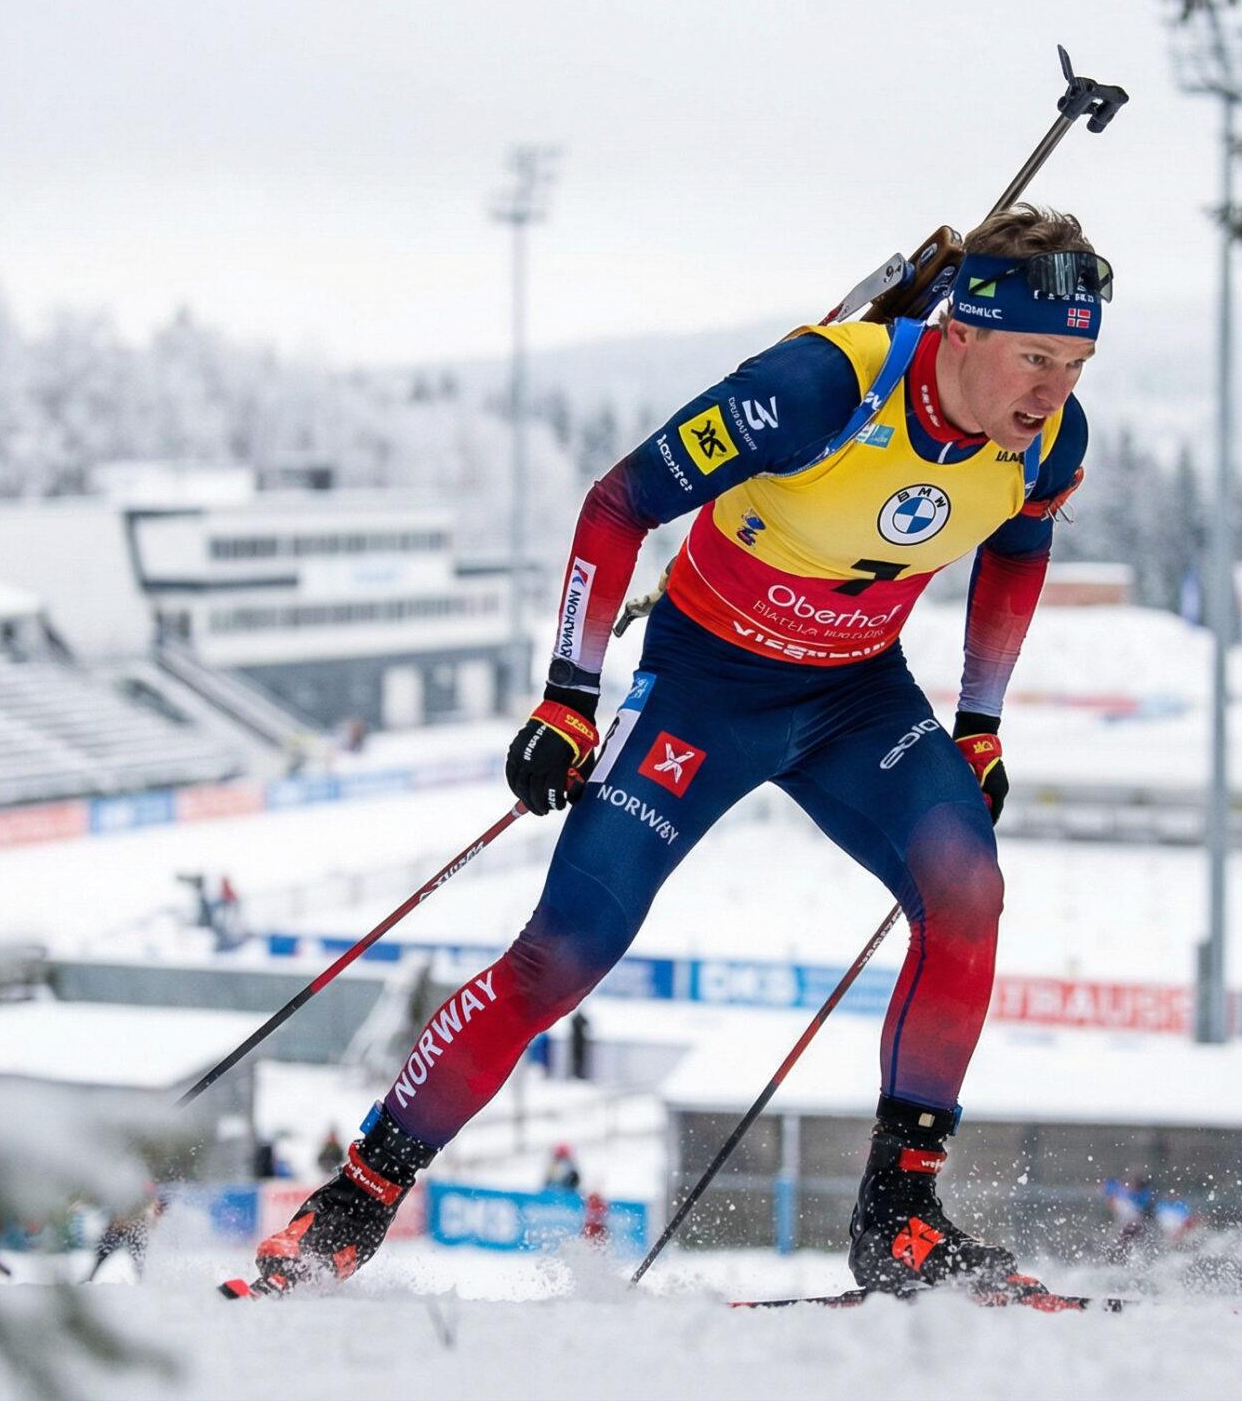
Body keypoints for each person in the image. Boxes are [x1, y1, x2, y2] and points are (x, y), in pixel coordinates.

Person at [243, 207, 1105, 1301]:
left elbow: (1017, 553)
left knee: (966, 890)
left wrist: (978, 720)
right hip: (705, 690)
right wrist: (567, 697)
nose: (1053, 392)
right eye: (1036, 357)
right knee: (565, 952)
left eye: (1075, 364)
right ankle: (350, 1205)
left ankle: (899, 1219)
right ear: (962, 330)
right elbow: (619, 503)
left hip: (855, 697)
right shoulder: (818, 389)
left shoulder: (1051, 443)